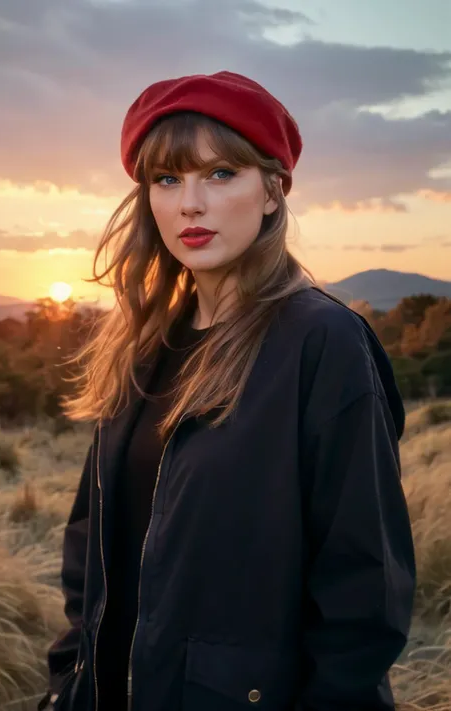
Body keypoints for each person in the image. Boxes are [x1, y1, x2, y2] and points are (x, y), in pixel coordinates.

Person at [38, 70, 416, 711]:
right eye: (168, 179)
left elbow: (363, 589)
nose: (190, 203)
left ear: (272, 191)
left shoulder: (322, 342)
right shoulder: (142, 347)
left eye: (220, 175)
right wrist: (67, 682)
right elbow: (89, 541)